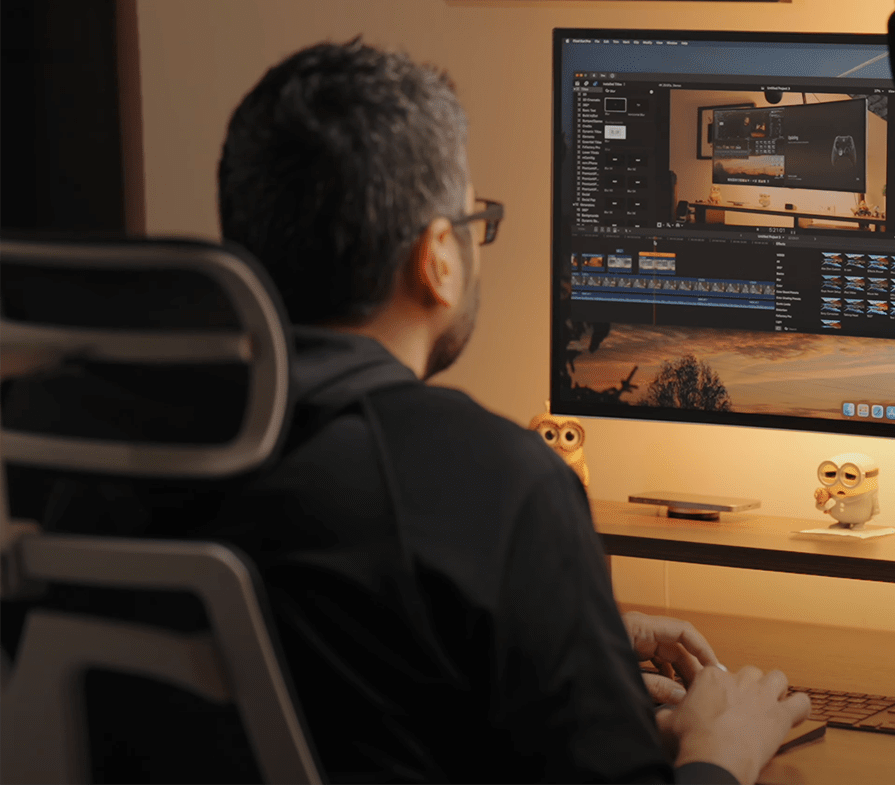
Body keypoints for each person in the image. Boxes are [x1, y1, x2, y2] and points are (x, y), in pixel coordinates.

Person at [39, 39, 808, 784]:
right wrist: (720, 747)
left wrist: (566, 633)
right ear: (437, 256)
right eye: (476, 222)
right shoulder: (500, 485)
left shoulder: (92, 445)